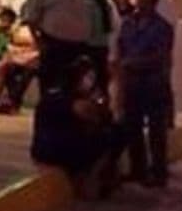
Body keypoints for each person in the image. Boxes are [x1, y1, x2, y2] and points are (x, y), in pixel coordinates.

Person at [30, 56, 125, 199]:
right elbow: (101, 119)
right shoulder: (76, 102)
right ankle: (93, 180)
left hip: (42, 150)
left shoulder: (51, 94)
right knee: (115, 134)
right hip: (61, 151)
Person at [119, 0, 175, 188]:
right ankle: (138, 169)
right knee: (132, 127)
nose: (142, 4)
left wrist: (136, 62)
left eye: (146, 0)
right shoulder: (128, 23)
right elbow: (121, 47)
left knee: (155, 130)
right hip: (132, 82)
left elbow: (161, 56)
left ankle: (159, 172)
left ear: (153, 2)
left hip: (152, 82)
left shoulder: (162, 27)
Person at [23, 0, 90, 94]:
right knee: (51, 85)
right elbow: (31, 19)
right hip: (53, 44)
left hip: (76, 46)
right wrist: (39, 41)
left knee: (71, 86)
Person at [0, 15, 40, 113]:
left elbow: (40, 47)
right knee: (3, 66)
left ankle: (13, 101)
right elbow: (9, 44)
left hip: (33, 57)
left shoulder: (40, 28)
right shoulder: (17, 28)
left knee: (28, 71)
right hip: (15, 55)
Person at [81, 0, 116, 92]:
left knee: (87, 84)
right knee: (101, 82)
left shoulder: (86, 5)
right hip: (102, 47)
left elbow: (85, 28)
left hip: (88, 47)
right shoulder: (105, 5)